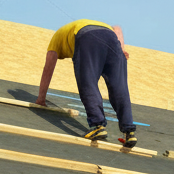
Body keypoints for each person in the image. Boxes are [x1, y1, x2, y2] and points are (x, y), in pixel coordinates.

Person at [36, 20, 137, 148]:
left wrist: (41, 98)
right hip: (111, 37)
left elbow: (48, 69)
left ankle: (97, 125)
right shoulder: (73, 28)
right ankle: (129, 132)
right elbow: (117, 28)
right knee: (119, 86)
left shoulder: (55, 41)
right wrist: (121, 49)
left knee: (87, 81)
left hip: (87, 35)